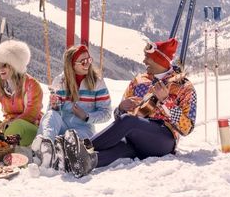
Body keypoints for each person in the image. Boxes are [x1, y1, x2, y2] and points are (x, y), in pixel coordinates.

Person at [62, 37, 197, 178]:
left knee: (129, 121)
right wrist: (120, 108)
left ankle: (82, 148)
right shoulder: (139, 81)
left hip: (164, 140)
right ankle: (81, 162)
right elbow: (119, 121)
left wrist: (166, 101)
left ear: (159, 59)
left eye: (147, 57)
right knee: (121, 148)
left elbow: (187, 128)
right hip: (136, 138)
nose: (144, 61)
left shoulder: (183, 86)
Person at [31, 44, 111, 169]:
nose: (87, 64)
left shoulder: (97, 82)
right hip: (61, 126)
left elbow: (106, 113)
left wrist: (86, 116)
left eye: (89, 59)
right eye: (83, 61)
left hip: (83, 130)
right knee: (51, 115)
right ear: (72, 65)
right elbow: (50, 115)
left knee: (75, 140)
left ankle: (57, 153)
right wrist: (54, 106)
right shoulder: (60, 81)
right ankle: (46, 146)